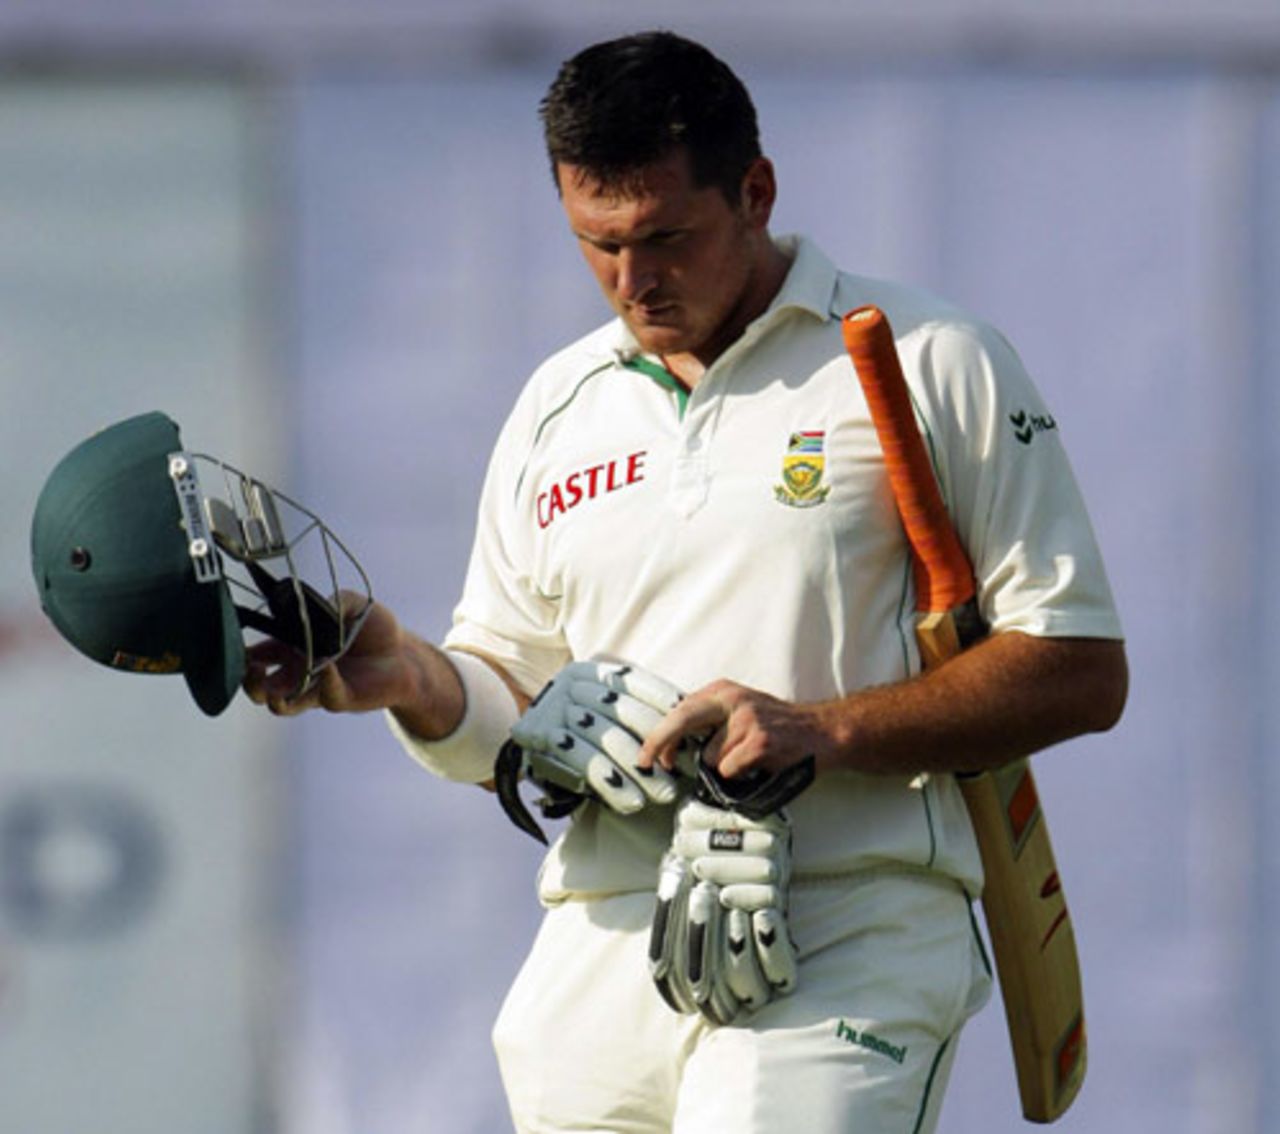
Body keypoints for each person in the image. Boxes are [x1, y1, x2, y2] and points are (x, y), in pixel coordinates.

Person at [245, 29, 1128, 1134]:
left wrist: (822, 728)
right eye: (595, 244)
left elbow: (1077, 670)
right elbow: (510, 718)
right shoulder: (555, 407)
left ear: (754, 190)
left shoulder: (926, 355)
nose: (632, 281)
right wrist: (412, 681)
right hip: (603, 940)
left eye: (666, 236)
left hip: (848, 925)